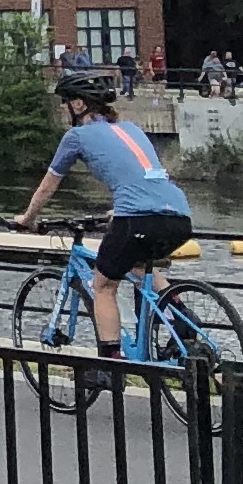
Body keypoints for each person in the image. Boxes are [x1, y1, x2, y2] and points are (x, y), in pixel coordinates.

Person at [13, 76, 194, 384]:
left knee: (103, 286)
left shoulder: (76, 136)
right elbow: (141, 177)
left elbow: (47, 188)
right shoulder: (132, 129)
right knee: (138, 267)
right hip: (178, 214)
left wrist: (27, 218)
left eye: (65, 103)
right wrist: (117, 211)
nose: (64, 110)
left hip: (137, 217)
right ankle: (186, 323)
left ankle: (110, 367)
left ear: (79, 104)